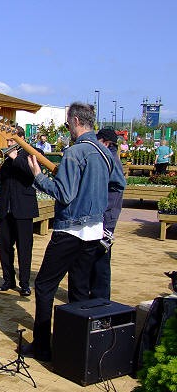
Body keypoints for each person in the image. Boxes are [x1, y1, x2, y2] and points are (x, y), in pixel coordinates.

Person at [23, 102, 126, 361]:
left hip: (70, 230)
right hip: (94, 231)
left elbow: (63, 193)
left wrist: (38, 175)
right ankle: (81, 345)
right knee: (79, 289)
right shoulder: (104, 152)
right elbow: (118, 184)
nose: (68, 127)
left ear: (77, 122)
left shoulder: (75, 152)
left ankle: (42, 346)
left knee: (45, 286)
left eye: (69, 122)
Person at [0, 126, 38, 297]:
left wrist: (15, 158)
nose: (8, 144)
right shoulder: (5, 158)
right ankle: (8, 280)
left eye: (12, 141)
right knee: (5, 247)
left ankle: (25, 283)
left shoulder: (31, 154)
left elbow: (30, 174)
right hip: (5, 208)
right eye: (8, 141)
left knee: (24, 248)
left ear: (21, 139)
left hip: (23, 209)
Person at [89, 127, 124, 300]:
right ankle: (97, 295)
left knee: (101, 260)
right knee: (97, 260)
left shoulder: (110, 158)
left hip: (104, 218)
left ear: (105, 142)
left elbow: (116, 189)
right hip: (106, 216)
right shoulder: (112, 157)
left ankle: (101, 299)